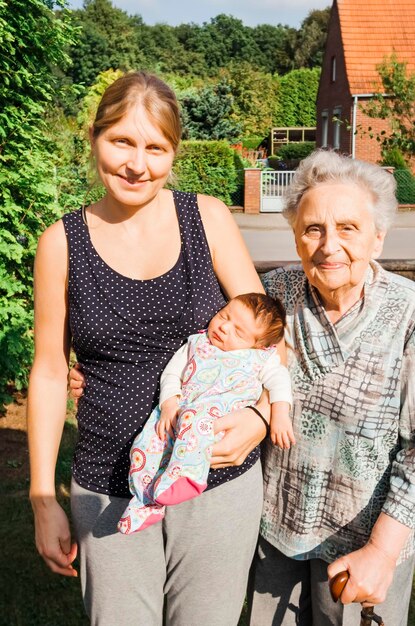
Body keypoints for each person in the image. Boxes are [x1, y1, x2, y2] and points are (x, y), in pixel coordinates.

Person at [27, 71, 280, 626]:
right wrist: (43, 495)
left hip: (214, 475)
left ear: (173, 153)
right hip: (109, 482)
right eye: (121, 141)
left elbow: (269, 338)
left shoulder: (207, 218)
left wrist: (261, 417)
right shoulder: (60, 244)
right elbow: (48, 372)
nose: (136, 164)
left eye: (155, 147)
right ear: (94, 138)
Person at [248, 149, 415, 626]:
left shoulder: (408, 313)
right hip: (273, 535)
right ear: (296, 237)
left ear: (378, 239)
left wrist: (381, 553)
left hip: (365, 547)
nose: (328, 245)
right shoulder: (271, 295)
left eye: (348, 228)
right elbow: (214, 351)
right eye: (313, 228)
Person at [118, 293, 294, 534]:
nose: (224, 327)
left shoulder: (260, 358)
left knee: (194, 418)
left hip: (215, 422)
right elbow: (171, 374)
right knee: (143, 447)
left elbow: (280, 380)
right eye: (224, 316)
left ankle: (189, 474)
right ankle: (145, 502)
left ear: (259, 344)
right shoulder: (196, 344)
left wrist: (280, 414)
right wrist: (169, 404)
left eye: (238, 332)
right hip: (179, 415)